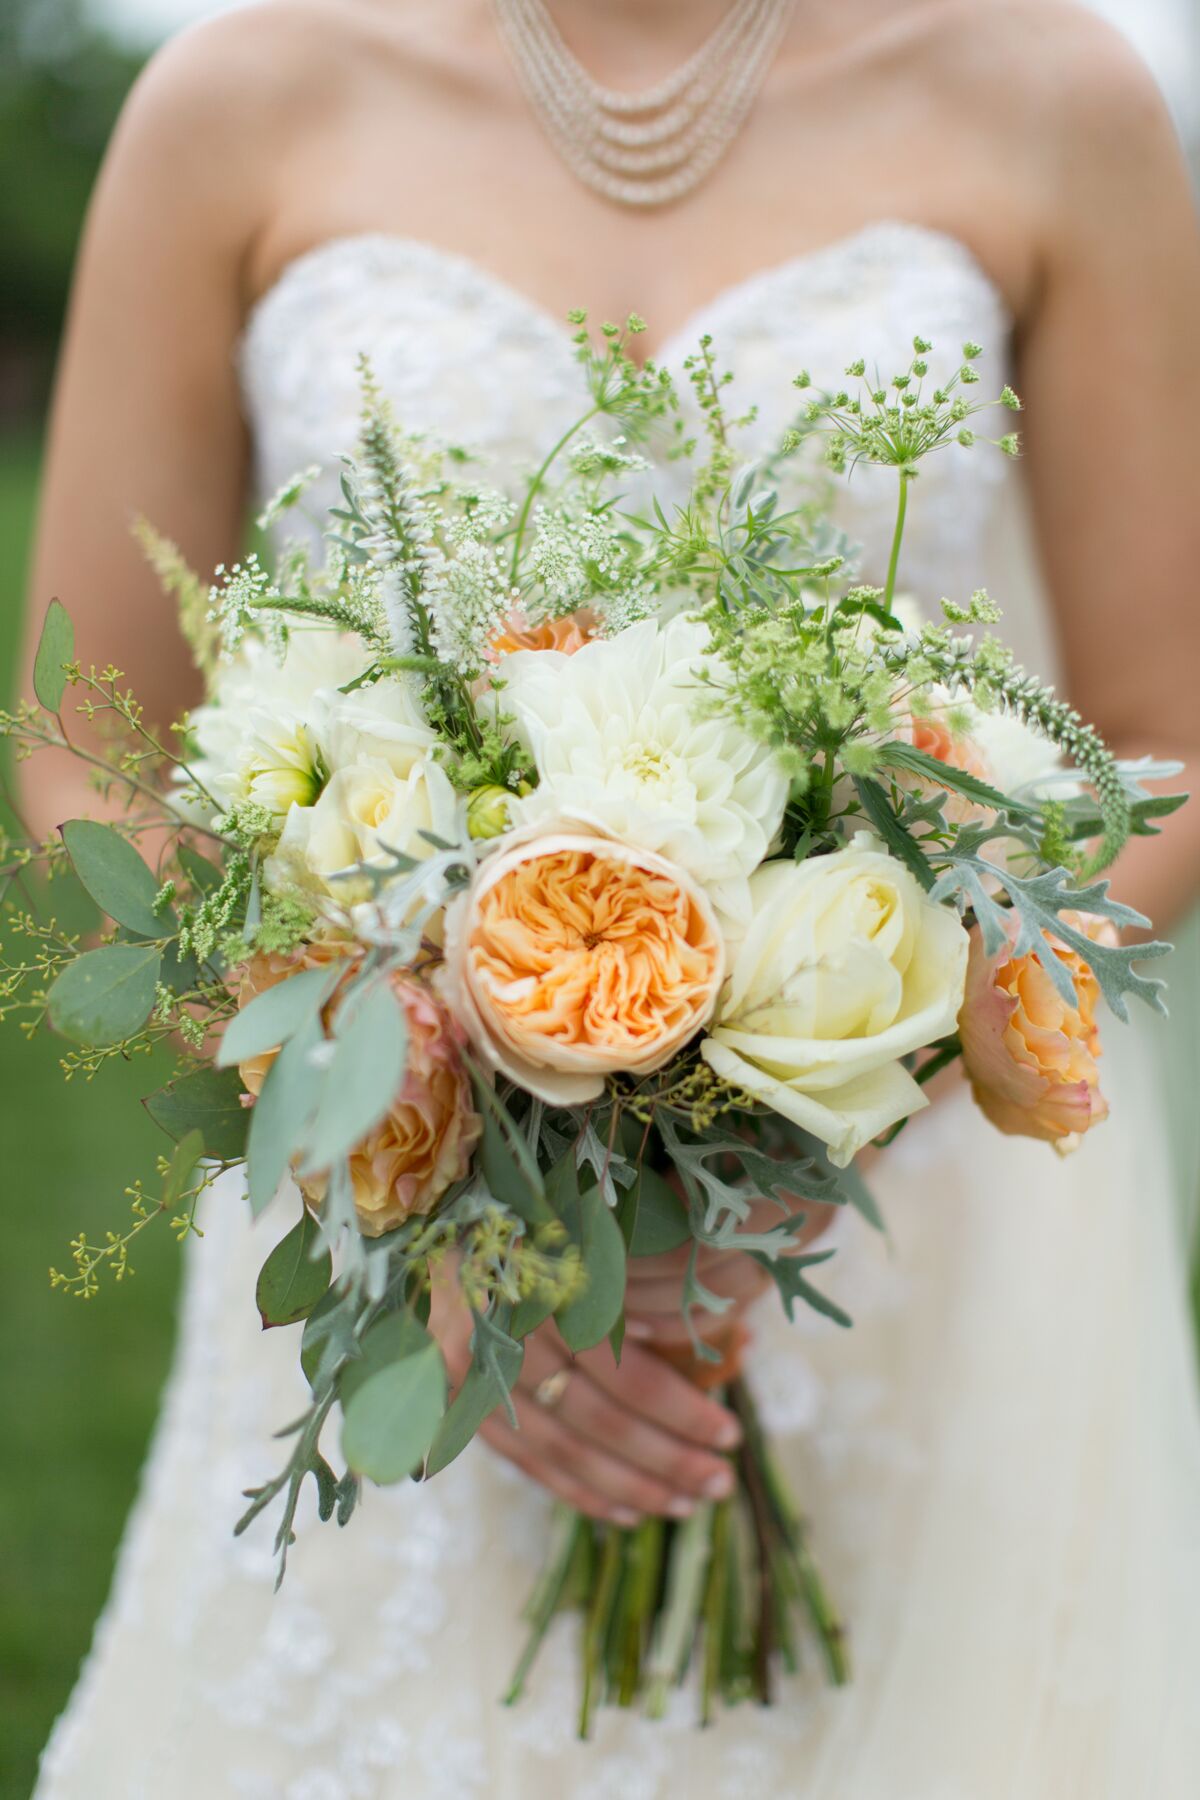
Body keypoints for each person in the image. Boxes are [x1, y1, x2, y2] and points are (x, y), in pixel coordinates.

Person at [25, 2, 1200, 1793]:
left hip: (900, 1243)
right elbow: (82, 745)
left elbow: (1167, 736)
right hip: (385, 1226)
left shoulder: (1054, 91)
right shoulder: (241, 97)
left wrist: (836, 1087)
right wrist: (436, 1217)